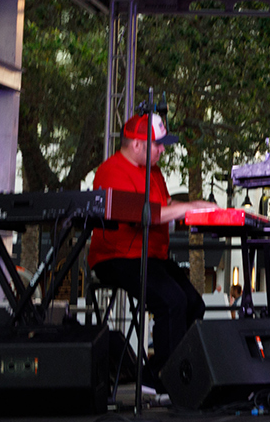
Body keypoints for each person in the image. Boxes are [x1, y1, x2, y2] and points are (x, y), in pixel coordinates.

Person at [88, 111, 215, 391]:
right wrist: (188, 207)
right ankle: (165, 378)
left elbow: (165, 204)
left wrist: (197, 209)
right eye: (157, 144)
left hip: (150, 256)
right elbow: (141, 215)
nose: (162, 150)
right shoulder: (112, 171)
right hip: (118, 256)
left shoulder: (153, 171)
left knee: (194, 303)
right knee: (171, 301)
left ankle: (174, 370)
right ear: (136, 144)